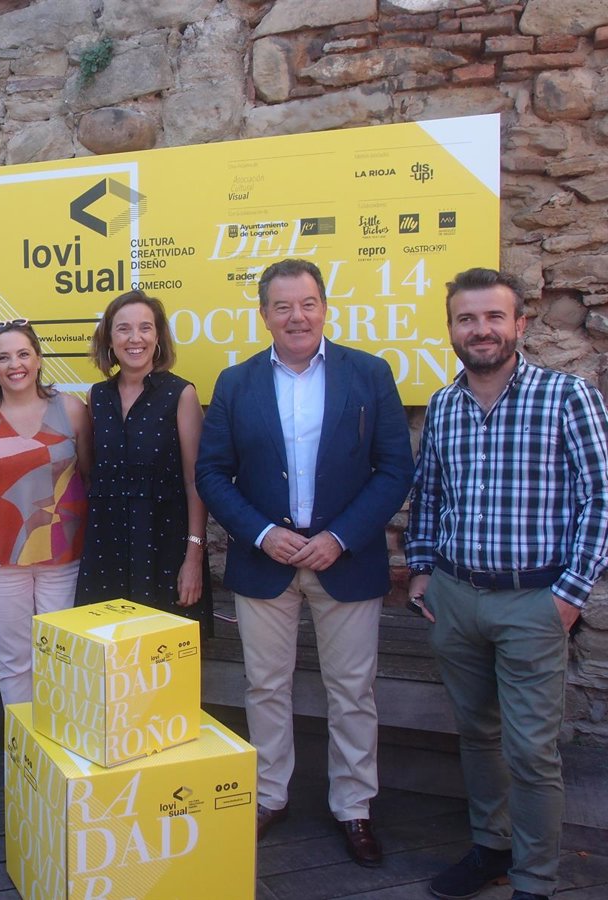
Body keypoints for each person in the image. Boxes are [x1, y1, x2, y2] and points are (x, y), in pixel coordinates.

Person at [196, 258, 413, 867]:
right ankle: (270, 795)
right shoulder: (236, 382)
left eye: (308, 303)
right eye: (283, 306)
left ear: (324, 307)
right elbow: (211, 472)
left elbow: (395, 468)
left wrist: (340, 537)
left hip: (346, 560)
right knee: (265, 686)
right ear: (264, 314)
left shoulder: (369, 374)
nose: (297, 316)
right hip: (265, 562)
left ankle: (354, 805)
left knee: (353, 690)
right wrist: (261, 533)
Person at [405, 268, 608, 900]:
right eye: (466, 319)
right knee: (477, 735)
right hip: (456, 597)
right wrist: (422, 571)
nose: (481, 330)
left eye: (494, 317)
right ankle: (490, 848)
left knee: (531, 750)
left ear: (519, 323)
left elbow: (601, 498)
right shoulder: (444, 405)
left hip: (533, 602)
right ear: (451, 329)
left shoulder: (566, 396)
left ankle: (535, 879)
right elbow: (430, 494)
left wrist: (569, 595)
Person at [0, 320, 91, 705]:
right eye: (3, 357)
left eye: (23, 354)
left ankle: (59, 741)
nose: (15, 364)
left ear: (38, 359)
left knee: (61, 659)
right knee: (15, 662)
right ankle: (21, 744)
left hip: (63, 555)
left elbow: (87, 472)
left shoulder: (71, 410)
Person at [74, 290, 211, 632]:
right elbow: (91, 474)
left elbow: (196, 482)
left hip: (164, 549)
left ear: (158, 337)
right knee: (107, 649)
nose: (135, 338)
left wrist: (193, 556)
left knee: (163, 652)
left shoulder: (181, 394)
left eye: (145, 328)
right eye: (124, 329)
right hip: (106, 549)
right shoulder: (96, 397)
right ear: (109, 339)